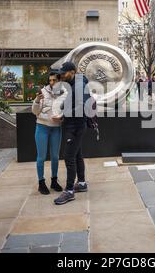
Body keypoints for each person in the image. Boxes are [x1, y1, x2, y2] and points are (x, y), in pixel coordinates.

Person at [54, 62, 91, 205]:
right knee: (77, 155)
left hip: (75, 126)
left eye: (64, 73)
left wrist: (64, 114)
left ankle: (69, 191)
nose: (62, 76)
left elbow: (81, 107)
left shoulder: (79, 85)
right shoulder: (76, 83)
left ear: (72, 72)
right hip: (76, 125)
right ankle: (81, 183)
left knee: (69, 157)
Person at [32, 73, 66, 195]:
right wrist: (36, 100)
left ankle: (54, 181)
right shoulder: (42, 92)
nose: (52, 82)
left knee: (55, 156)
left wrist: (62, 117)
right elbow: (35, 111)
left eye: (54, 80)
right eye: (50, 80)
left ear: (59, 81)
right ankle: (41, 183)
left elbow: (65, 110)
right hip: (42, 127)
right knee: (41, 157)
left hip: (56, 128)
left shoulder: (64, 93)